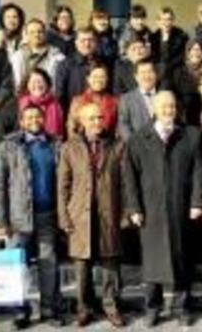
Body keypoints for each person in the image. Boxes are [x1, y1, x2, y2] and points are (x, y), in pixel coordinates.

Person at [122, 91, 202, 327]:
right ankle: (152, 307)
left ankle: (182, 307)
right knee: (152, 260)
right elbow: (130, 178)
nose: (168, 111)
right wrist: (134, 207)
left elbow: (199, 171)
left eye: (172, 106)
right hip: (150, 210)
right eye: (163, 107)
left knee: (181, 257)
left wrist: (197, 202)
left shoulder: (190, 136)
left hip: (181, 206)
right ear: (154, 110)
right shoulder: (139, 139)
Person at [0, 105, 64, 329]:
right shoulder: (8, 146)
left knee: (48, 263)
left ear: (44, 119)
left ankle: (49, 309)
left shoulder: (55, 144)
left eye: (38, 116)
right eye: (29, 117)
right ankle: (20, 311)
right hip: (17, 218)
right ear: (21, 121)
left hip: (48, 216)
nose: (34, 120)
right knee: (17, 266)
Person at [57, 102, 126, 328]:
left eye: (99, 118)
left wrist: (126, 213)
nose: (97, 122)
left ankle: (111, 306)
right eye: (91, 119)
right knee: (82, 266)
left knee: (109, 263)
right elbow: (63, 185)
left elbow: (126, 183)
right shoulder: (70, 147)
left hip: (109, 212)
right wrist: (64, 216)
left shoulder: (117, 145)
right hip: (79, 215)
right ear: (81, 122)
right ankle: (84, 308)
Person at [10, 18, 66, 94]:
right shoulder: (17, 57)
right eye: (32, 32)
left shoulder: (58, 57)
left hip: (49, 100)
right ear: (26, 35)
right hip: (24, 101)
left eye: (40, 32)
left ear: (45, 34)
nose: (36, 35)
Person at [55, 27, 102, 113]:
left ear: (96, 42)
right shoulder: (65, 65)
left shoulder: (104, 63)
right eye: (82, 40)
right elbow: (60, 94)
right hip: (74, 113)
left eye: (90, 40)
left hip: (100, 114)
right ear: (76, 43)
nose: (87, 44)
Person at [168, 40, 202, 126]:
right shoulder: (178, 72)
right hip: (184, 116)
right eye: (192, 49)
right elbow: (174, 94)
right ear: (187, 53)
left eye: (199, 49)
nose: (196, 53)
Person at [67, 64, 118, 137]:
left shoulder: (115, 101)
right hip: (84, 143)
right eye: (95, 77)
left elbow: (118, 129)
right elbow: (72, 128)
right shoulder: (78, 101)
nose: (98, 80)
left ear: (107, 79)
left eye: (102, 77)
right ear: (88, 78)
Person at [116, 59, 158, 141]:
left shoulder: (164, 95)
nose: (147, 76)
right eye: (142, 73)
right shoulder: (127, 99)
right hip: (138, 145)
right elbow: (123, 124)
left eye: (150, 72)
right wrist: (134, 144)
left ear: (156, 74)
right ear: (136, 77)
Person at [17, 68, 65, 139]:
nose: (37, 85)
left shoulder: (55, 104)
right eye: (33, 82)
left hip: (53, 145)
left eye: (40, 81)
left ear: (47, 83)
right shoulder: (20, 104)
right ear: (27, 85)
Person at [149, 7, 189, 83]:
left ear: (173, 21)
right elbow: (153, 58)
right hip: (158, 73)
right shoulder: (153, 37)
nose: (166, 22)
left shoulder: (181, 36)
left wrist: (166, 67)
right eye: (163, 19)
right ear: (158, 21)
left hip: (176, 71)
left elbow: (181, 57)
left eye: (169, 19)